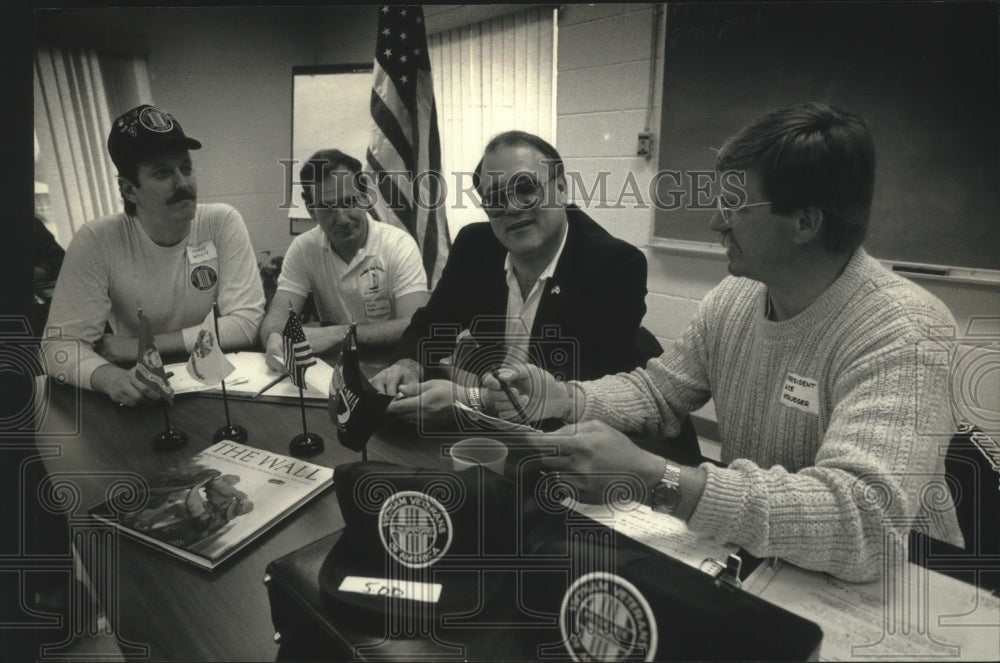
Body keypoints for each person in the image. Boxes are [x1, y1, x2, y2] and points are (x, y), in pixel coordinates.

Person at [485, 103, 964, 582]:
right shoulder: (736, 297)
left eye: (736, 205)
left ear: (804, 222)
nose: (717, 222)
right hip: (766, 559)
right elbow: (659, 394)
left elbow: (865, 523)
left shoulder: (904, 328)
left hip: (902, 583)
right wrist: (565, 396)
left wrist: (660, 481)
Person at [373, 131, 652, 425]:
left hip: (584, 433)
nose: (513, 207)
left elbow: (571, 389)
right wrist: (409, 362)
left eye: (525, 188)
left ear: (560, 188)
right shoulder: (475, 246)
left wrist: (468, 400)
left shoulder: (616, 264)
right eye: (494, 198)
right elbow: (432, 325)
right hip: (501, 427)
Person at [41, 104, 265, 406]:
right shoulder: (97, 240)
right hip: (141, 386)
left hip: (214, 380)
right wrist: (110, 377)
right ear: (129, 190)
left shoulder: (221, 221)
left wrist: (137, 345)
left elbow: (246, 323)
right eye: (162, 173)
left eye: (186, 168)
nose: (183, 183)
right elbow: (58, 347)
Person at [258, 149, 429, 370]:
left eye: (349, 201)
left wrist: (341, 333)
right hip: (336, 368)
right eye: (328, 207)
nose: (342, 218)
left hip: (395, 365)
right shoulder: (303, 248)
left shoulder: (398, 245)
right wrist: (273, 338)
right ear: (311, 210)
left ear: (365, 196)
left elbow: (414, 325)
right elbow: (277, 317)